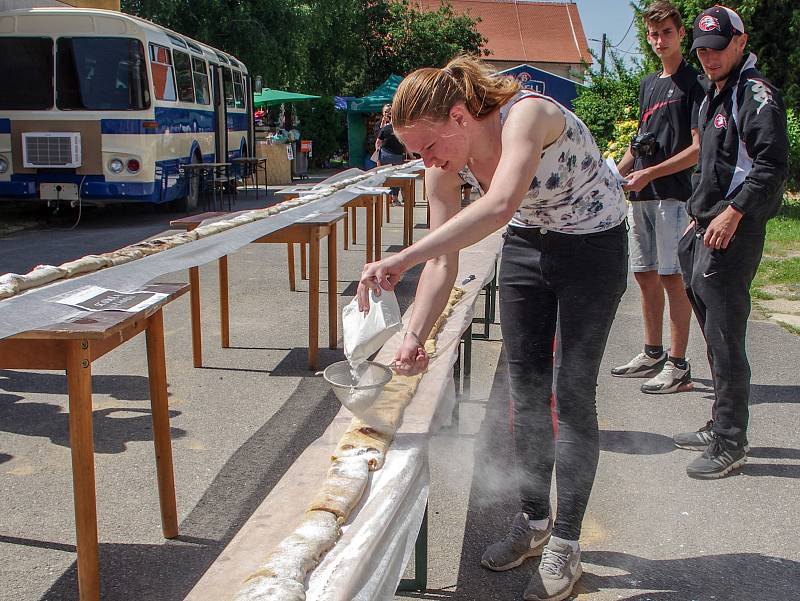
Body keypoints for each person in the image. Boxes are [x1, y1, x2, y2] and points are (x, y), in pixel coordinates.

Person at [357, 55, 628, 601]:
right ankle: (533, 522)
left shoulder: (526, 116)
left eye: (429, 147)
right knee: (525, 391)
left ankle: (567, 542)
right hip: (530, 243)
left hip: (593, 246)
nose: (427, 161)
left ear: (459, 117)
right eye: (417, 153)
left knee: (571, 392)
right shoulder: (441, 164)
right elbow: (443, 260)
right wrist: (414, 336)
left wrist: (399, 258)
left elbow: (500, 204)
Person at [673, 6, 788, 479]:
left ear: (740, 42)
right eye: (701, 49)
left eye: (717, 48)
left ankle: (730, 442)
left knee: (725, 339)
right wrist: (696, 216)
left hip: (733, 232)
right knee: (711, 335)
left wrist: (733, 212)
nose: (708, 57)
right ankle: (718, 422)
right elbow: (709, 165)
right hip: (704, 228)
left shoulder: (756, 94)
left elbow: (770, 167)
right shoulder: (713, 93)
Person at [611, 1, 703, 394]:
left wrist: (651, 172)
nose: (659, 40)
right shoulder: (649, 84)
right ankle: (653, 352)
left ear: (681, 34)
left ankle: (679, 364)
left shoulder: (695, 82)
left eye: (667, 32)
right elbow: (641, 141)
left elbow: (698, 149)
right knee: (644, 273)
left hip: (675, 197)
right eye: (653, 34)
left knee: (672, 277)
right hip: (642, 196)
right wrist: (613, 174)